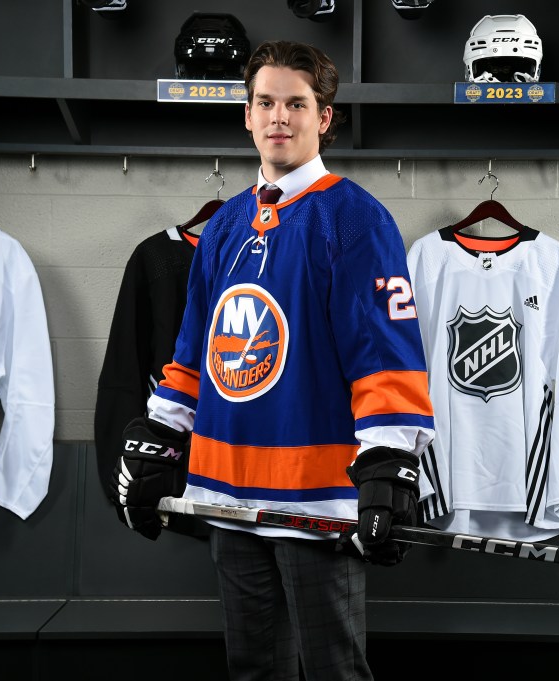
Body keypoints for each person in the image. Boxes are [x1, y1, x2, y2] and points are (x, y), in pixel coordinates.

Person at [110, 40, 435, 680]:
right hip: (226, 497)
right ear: (248, 116)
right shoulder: (226, 227)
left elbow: (385, 356)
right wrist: (160, 431)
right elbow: (195, 350)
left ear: (325, 118)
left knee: (333, 670)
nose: (279, 116)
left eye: (296, 103)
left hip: (314, 503)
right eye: (266, 102)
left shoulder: (356, 220)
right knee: (254, 669)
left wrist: (388, 462)